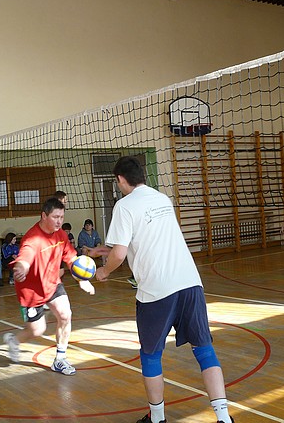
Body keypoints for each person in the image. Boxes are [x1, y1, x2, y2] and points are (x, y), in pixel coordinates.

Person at [95, 156, 234, 423]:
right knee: (204, 349)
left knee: (151, 355)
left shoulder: (124, 206)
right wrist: (105, 251)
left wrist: (104, 271)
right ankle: (224, 418)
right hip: (190, 283)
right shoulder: (162, 198)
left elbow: (120, 255)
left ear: (120, 180)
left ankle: (157, 418)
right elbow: (146, 239)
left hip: (157, 290)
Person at [3, 198, 96, 375]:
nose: (59, 221)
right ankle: (14, 341)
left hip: (53, 283)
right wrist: (21, 267)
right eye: (55, 217)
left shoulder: (60, 235)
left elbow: (71, 258)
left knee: (65, 315)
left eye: (61, 217)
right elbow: (25, 257)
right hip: (32, 291)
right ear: (44, 216)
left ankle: (60, 359)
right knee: (37, 330)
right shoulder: (33, 238)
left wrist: (82, 279)